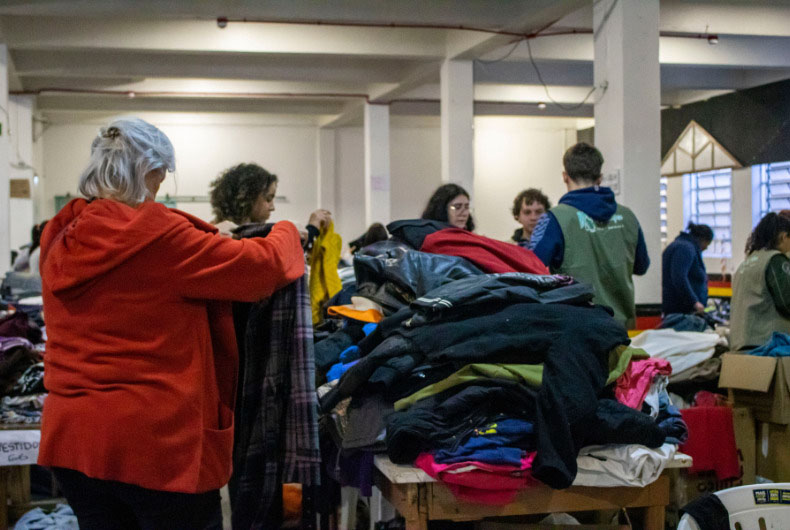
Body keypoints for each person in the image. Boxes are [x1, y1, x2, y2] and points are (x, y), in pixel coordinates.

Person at [38, 118, 305, 528]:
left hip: (73, 439)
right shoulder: (162, 239)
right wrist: (288, 231)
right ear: (151, 171)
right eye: (162, 173)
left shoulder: (59, 233)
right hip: (155, 443)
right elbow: (264, 267)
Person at [529, 142, 650, 328]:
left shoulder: (553, 219)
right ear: (600, 178)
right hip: (621, 329)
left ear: (565, 176)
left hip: (576, 329)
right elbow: (641, 267)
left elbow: (529, 267)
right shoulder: (628, 217)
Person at [209, 162, 331, 248]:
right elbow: (280, 253)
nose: (272, 207)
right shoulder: (223, 238)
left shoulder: (216, 233)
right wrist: (311, 229)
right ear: (247, 198)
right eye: (268, 199)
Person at [730, 212, 790, 351]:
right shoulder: (776, 260)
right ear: (783, 236)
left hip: (741, 342)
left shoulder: (747, 262)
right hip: (767, 344)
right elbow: (787, 302)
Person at [662, 222, 714, 315]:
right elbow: (679, 277)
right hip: (682, 310)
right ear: (703, 239)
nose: (706, 248)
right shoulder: (685, 248)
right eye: (707, 244)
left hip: (680, 308)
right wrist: (695, 302)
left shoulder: (683, 245)